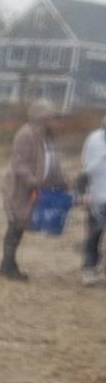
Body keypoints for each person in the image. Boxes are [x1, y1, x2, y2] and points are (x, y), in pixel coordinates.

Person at [0, 98, 68, 282]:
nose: (57, 122)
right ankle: (7, 265)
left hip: (36, 190)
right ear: (43, 118)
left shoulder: (47, 137)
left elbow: (52, 164)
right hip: (20, 189)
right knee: (15, 224)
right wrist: (34, 182)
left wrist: (63, 182)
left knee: (20, 225)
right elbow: (19, 163)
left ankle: (9, 264)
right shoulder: (26, 134)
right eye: (54, 118)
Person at [77, 115, 106, 286]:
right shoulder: (94, 140)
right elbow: (85, 170)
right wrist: (83, 193)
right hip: (96, 197)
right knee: (94, 234)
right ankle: (89, 270)